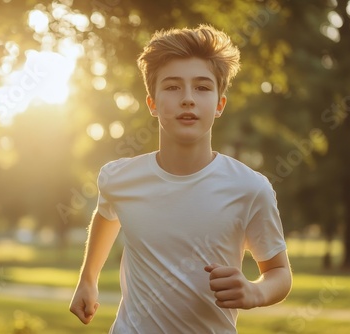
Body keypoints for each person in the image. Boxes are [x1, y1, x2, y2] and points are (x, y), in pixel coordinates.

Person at [69, 24, 292, 333]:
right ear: (153, 104)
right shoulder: (118, 178)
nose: (188, 99)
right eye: (173, 87)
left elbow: (279, 272)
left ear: (219, 105)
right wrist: (87, 280)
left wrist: (255, 291)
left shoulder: (250, 188)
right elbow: (106, 215)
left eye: (202, 87)